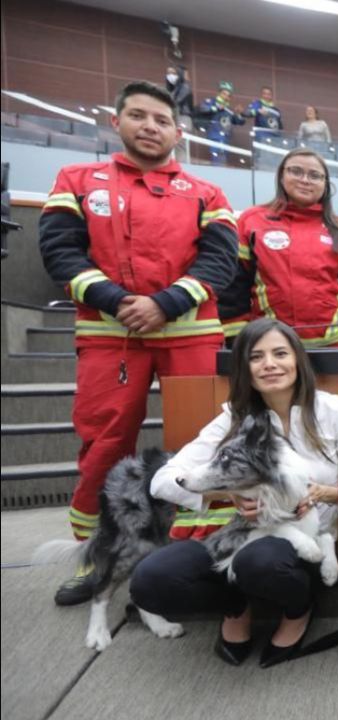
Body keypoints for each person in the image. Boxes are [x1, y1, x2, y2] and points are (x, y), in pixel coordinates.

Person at [38, 80, 238, 605]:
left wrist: (164, 304)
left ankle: (204, 548)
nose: (150, 127)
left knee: (207, 442)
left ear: (178, 131)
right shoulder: (78, 180)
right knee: (104, 445)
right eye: (138, 116)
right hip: (111, 335)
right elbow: (60, 253)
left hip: (191, 334)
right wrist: (116, 300)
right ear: (117, 122)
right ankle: (98, 558)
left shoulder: (207, 194)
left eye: (161, 120)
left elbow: (219, 261)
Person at [130, 318, 338, 668]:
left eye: (280, 353)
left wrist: (325, 493)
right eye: (256, 357)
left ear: (298, 360)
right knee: (150, 581)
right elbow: (163, 481)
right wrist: (225, 496)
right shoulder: (233, 418)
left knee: (261, 562)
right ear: (244, 367)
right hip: (236, 536)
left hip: (303, 544)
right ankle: (236, 607)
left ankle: (298, 610)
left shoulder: (334, 410)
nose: (270, 364)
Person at [219, 147, 338, 347]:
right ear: (281, 177)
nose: (305, 180)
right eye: (296, 171)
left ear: (325, 184)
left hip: (335, 344)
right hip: (271, 345)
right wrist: (237, 341)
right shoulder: (251, 222)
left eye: (314, 175)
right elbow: (235, 287)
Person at [197, 81, 244, 165]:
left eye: (228, 95)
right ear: (219, 93)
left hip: (225, 139)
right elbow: (203, 109)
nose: (226, 97)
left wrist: (238, 114)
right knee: (216, 159)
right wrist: (217, 108)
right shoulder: (212, 102)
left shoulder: (228, 109)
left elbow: (239, 122)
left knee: (222, 160)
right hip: (214, 136)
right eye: (224, 93)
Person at [163, 66, 194, 131]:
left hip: (182, 116)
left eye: (173, 73)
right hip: (175, 115)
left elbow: (177, 101)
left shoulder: (184, 87)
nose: (170, 76)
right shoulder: (173, 88)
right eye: (168, 73)